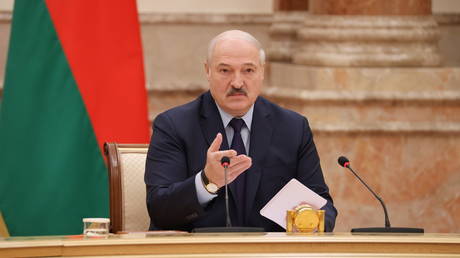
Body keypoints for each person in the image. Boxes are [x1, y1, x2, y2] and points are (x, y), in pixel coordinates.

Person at [145, 30, 337, 232]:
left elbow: (324, 207)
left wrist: (309, 217)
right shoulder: (173, 125)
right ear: (207, 71)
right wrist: (207, 182)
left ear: (262, 72)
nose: (237, 83)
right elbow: (159, 211)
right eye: (225, 71)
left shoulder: (293, 127)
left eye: (248, 70)